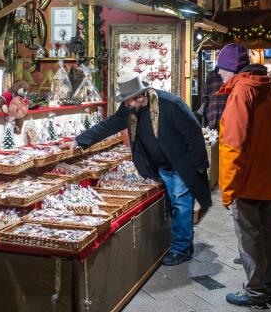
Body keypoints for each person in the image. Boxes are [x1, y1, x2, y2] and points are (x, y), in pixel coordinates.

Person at [72, 75, 210, 266]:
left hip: (181, 165)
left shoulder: (171, 104)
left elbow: (194, 132)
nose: (126, 104)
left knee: (181, 205)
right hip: (158, 166)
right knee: (174, 205)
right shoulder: (129, 109)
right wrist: (80, 140)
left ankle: (182, 249)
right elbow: (109, 125)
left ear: (140, 96)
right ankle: (182, 242)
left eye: (128, 100)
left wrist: (200, 164)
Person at [218, 58, 271, 309]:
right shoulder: (267, 90)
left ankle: (255, 292)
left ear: (232, 69)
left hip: (248, 181)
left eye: (221, 68)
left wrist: (227, 189)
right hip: (269, 178)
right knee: (268, 233)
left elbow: (232, 146)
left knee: (249, 237)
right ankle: (269, 285)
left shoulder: (241, 93)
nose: (218, 72)